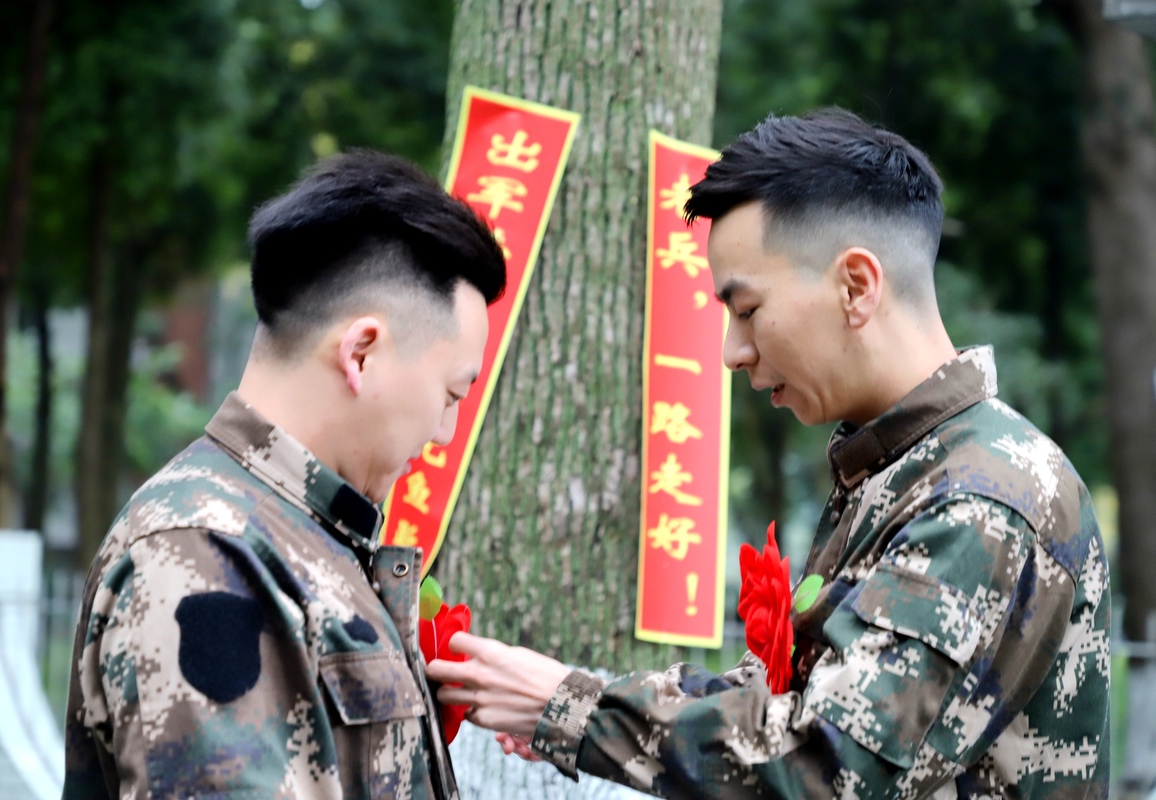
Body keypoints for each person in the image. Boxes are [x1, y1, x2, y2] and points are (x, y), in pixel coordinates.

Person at [426, 109, 1111, 799]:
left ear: (856, 286)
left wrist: (578, 711)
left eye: (747, 310)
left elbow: (826, 765)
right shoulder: (906, 471)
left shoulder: (981, 497)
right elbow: (797, 702)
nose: (733, 352)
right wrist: (570, 704)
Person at [62, 149, 506, 799]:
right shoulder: (203, 551)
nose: (444, 432)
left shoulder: (302, 535)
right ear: (361, 353)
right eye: (451, 393)